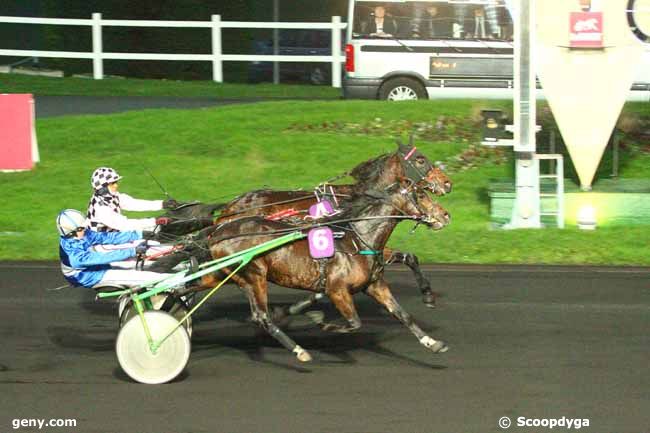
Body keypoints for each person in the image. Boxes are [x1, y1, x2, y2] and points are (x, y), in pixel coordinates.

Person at [57, 209, 174, 289]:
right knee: (143, 277)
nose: (85, 229)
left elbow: (108, 237)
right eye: (81, 229)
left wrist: (140, 234)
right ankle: (174, 282)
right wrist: (133, 251)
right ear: (71, 233)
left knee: (135, 264)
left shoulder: (82, 233)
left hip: (95, 265)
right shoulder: (73, 255)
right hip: (87, 276)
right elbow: (103, 257)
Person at [86, 167, 177, 233]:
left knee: (153, 229)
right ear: (103, 188)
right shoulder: (101, 208)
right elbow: (125, 225)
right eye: (112, 183)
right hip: (104, 241)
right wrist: (154, 221)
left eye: (116, 182)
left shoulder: (111, 196)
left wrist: (162, 204)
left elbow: (134, 203)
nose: (116, 185)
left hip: (115, 234)